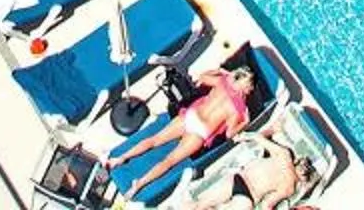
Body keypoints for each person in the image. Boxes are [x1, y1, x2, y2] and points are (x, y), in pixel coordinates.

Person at [111, 62, 259, 193]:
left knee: (154, 140)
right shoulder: (239, 109)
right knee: (169, 161)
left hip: (191, 116)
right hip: (201, 132)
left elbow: (202, 77)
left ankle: (120, 158)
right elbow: (229, 134)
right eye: (251, 88)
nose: (251, 91)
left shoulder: (223, 82)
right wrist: (245, 122)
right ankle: (139, 184)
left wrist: (220, 71)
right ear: (247, 85)